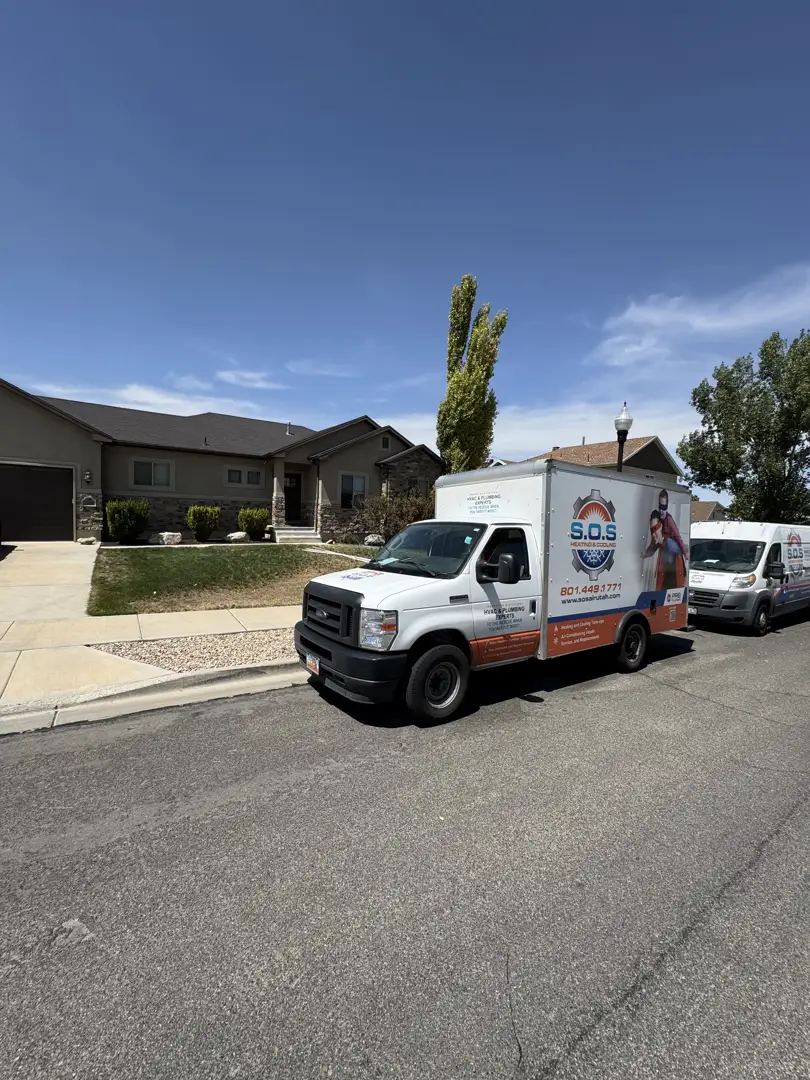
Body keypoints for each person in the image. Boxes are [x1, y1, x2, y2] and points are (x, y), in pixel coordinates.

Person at [643, 491, 687, 591]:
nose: (654, 534)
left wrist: (685, 553)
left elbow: (678, 536)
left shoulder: (669, 521)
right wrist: (645, 554)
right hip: (665, 578)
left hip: (675, 574)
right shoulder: (659, 540)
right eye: (652, 530)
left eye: (664, 507)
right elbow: (653, 545)